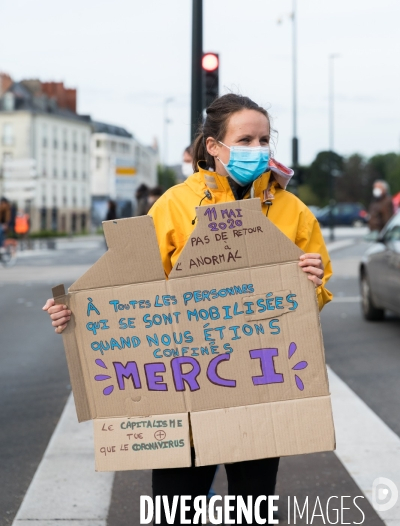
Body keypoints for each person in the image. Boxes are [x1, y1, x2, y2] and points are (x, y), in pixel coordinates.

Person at [43, 93, 332, 525]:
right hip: (187, 393)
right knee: (178, 511)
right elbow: (127, 286)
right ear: (213, 146)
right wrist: (76, 312)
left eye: (263, 140)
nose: (257, 149)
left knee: (253, 512)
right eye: (245, 139)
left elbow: (314, 296)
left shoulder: (293, 211)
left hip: (261, 387)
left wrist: (313, 283)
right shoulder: (175, 206)